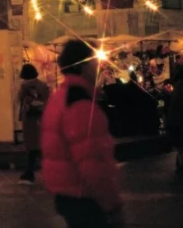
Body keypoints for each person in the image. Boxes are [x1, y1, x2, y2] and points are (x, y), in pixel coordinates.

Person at [41, 40, 122, 227]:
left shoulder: (60, 97)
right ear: (84, 65)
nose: (97, 67)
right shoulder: (80, 102)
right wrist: (111, 204)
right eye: (94, 62)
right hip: (85, 197)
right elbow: (91, 161)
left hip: (67, 193)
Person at [17, 63, 49, 184]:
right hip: (42, 118)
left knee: (31, 146)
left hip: (30, 119)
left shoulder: (25, 86)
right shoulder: (43, 85)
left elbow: (20, 99)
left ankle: (29, 173)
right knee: (40, 144)